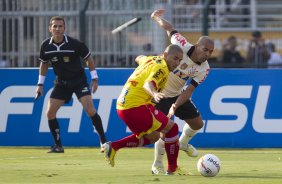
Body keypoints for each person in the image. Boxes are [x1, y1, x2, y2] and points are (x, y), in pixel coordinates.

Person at [102, 44, 186, 175]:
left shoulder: (151, 59)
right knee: (172, 128)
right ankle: (172, 169)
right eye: (175, 58)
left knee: (153, 137)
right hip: (136, 106)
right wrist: (154, 94)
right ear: (165, 55)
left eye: (180, 60)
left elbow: (139, 58)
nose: (177, 63)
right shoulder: (162, 67)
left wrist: (142, 62)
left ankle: (113, 146)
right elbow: (148, 84)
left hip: (123, 107)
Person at [150, 9, 214, 175]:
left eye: (211, 52)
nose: (207, 54)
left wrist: (176, 106)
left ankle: (183, 143)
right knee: (163, 133)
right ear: (197, 45)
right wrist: (157, 18)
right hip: (160, 94)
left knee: (198, 124)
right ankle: (157, 164)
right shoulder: (182, 45)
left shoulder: (205, 69)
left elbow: (189, 90)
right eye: (205, 49)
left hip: (177, 95)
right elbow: (170, 28)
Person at [35, 16, 107, 153]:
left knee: (90, 111)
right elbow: (43, 64)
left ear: (64, 28)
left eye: (60, 26)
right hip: (61, 83)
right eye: (54, 26)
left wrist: (95, 79)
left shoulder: (75, 44)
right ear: (50, 28)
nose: (57, 29)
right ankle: (58, 146)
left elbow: (88, 60)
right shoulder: (46, 46)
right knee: (50, 113)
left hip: (79, 82)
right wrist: (40, 84)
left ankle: (104, 142)